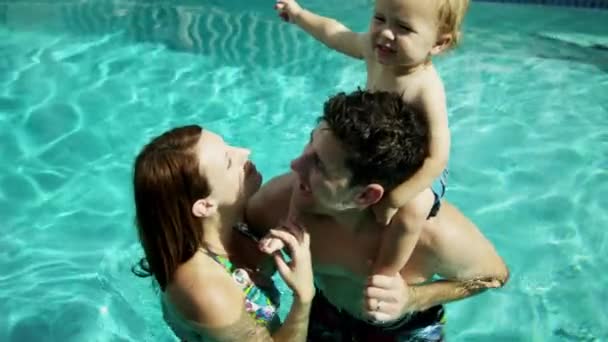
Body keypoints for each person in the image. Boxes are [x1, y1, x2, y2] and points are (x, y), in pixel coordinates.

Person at [250, 90, 509, 341]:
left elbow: (494, 278)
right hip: (326, 313)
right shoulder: (277, 204)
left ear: (365, 196)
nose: (295, 165)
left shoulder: (432, 235)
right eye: (310, 142)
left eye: (319, 164)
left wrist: (411, 298)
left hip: (407, 328)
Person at [273, 0, 469, 282]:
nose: (386, 33)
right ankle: (291, 226)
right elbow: (335, 34)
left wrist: (397, 198)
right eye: (380, 18)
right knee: (311, 166)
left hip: (414, 166)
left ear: (439, 43)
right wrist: (299, 15)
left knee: (413, 210)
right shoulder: (374, 51)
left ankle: (385, 275)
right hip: (373, 151)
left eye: (403, 27)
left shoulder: (425, 87)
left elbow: (437, 157)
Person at [131, 125, 315, 341]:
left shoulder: (232, 223)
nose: (245, 152)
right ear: (206, 206)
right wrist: (303, 297)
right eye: (228, 161)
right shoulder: (206, 289)